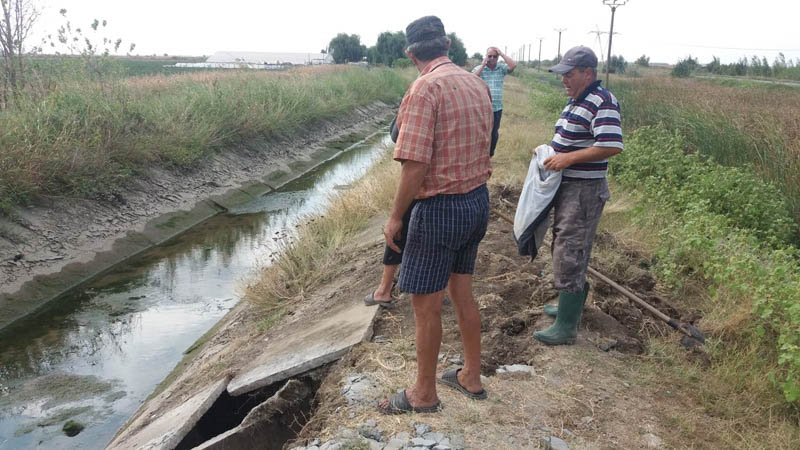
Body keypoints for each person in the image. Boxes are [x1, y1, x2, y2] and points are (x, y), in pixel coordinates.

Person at [377, 15, 494, 414]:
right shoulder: (476, 83)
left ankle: (423, 394)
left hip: (440, 209)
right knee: (462, 292)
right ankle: (471, 376)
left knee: (425, 307)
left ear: (412, 55)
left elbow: (414, 165)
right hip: (476, 201)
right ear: (447, 45)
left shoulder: (424, 89)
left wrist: (396, 217)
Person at [532, 45, 623, 346]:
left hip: (584, 191)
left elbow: (611, 145)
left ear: (588, 73)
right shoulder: (576, 101)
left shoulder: (602, 101)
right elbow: (570, 140)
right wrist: (549, 153)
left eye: (569, 74)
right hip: (568, 187)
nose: (564, 80)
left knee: (571, 249)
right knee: (564, 245)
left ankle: (567, 327)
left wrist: (567, 159)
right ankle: (567, 306)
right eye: (562, 75)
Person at [472, 47, 516, 157]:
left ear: (497, 57)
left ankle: (489, 155)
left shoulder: (501, 68)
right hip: (482, 107)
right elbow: (471, 78)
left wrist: (502, 54)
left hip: (497, 108)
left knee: (494, 133)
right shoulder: (480, 69)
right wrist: (483, 65)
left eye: (495, 56)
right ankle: (478, 154)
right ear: (486, 56)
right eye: (489, 56)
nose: (492, 58)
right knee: (480, 131)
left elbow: (513, 65)